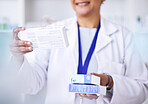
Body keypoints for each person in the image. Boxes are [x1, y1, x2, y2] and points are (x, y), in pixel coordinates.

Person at [10, 0, 148, 104]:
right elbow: (30, 85)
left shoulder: (124, 36)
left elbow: (141, 90)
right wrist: (18, 59)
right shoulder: (52, 31)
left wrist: (109, 82)